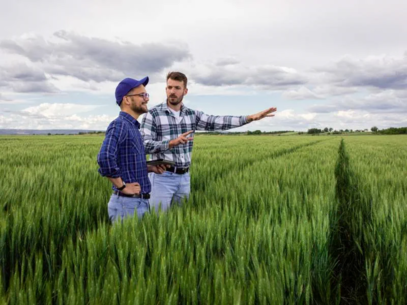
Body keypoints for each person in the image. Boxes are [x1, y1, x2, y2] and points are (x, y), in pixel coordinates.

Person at [140, 71, 277, 212]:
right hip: (162, 177)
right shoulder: (153, 114)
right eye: (169, 87)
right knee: (157, 221)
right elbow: (143, 145)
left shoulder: (192, 115)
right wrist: (171, 143)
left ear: (185, 91)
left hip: (184, 178)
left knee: (180, 219)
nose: (172, 92)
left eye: (177, 88)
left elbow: (218, 121)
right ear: (165, 89)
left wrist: (249, 118)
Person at [97, 77, 166, 222]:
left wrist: (150, 168)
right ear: (127, 100)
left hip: (138, 203)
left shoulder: (132, 127)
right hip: (127, 205)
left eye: (146, 95)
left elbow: (127, 163)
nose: (146, 99)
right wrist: (122, 187)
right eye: (142, 95)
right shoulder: (120, 125)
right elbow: (104, 158)